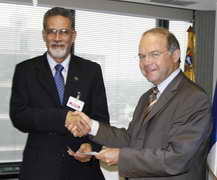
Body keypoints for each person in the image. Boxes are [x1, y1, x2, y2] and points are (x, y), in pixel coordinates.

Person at [65, 27, 212, 180]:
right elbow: (131, 139)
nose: (146, 62)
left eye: (154, 54)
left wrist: (122, 157)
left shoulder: (194, 98)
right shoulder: (147, 97)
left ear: (175, 55)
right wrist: (91, 127)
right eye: (142, 56)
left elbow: (176, 159)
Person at [9, 7, 109, 180]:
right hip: (39, 169)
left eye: (63, 32)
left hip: (82, 170)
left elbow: (101, 120)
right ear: (44, 35)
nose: (57, 38)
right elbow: (19, 116)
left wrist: (90, 146)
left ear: (73, 36)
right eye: (51, 32)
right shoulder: (25, 70)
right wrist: (63, 117)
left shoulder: (91, 71)